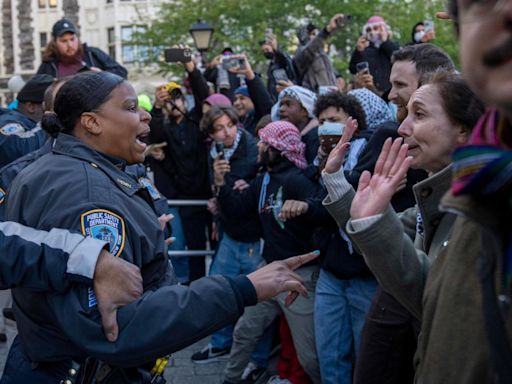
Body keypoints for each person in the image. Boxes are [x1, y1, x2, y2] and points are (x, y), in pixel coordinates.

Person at [1, 71, 317, 384]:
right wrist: (242, 288)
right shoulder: (88, 191)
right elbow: (115, 328)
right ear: (92, 122)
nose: (146, 113)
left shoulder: (60, 168)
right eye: (128, 107)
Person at [352, 43, 455, 384]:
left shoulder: (478, 204)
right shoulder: (441, 191)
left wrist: (373, 223)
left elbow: (440, 299)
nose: (389, 94)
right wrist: (342, 192)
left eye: (419, 113)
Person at [217, 121, 325, 384]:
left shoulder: (299, 181)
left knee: (309, 355)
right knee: (244, 332)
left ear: (279, 148)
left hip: (300, 275)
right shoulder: (263, 179)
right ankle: (229, 380)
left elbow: (323, 210)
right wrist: (221, 183)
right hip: (268, 269)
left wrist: (306, 206)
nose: (260, 146)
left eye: (265, 142)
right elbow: (236, 209)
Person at [192, 106, 271, 374]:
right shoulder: (215, 151)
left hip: (251, 237)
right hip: (229, 232)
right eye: (219, 128)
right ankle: (220, 344)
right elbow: (220, 190)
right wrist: (217, 194)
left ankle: (257, 360)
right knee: (219, 291)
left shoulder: (250, 149)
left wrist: (224, 184)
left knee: (257, 299)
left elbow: (240, 200)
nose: (226, 132)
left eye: (229, 125)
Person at [148, 59, 211, 282]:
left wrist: (190, 68)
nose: (173, 103)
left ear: (185, 101)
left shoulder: (196, 121)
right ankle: (197, 289)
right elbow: (152, 133)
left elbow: (204, 94)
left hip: (208, 194)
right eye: (169, 100)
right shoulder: (165, 129)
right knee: (194, 246)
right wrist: (157, 105)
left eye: (177, 98)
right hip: (186, 196)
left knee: (215, 245)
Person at [36, 18, 127, 79]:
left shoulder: (93, 54)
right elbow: (32, 92)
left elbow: (122, 72)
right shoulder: (48, 65)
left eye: (72, 39)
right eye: (64, 41)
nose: (70, 45)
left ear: (78, 38)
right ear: (55, 43)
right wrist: (50, 85)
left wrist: (103, 75)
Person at [0, 74, 54, 167]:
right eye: (50, 104)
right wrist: (52, 119)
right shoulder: (8, 123)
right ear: (31, 107)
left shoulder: (30, 124)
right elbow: (21, 149)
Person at [293, 14, 345, 93]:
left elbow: (331, 74)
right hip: (313, 100)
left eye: (317, 34)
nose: (316, 36)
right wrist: (327, 30)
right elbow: (310, 48)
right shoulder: (301, 53)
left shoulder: (323, 55)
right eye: (313, 34)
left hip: (331, 99)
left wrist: (338, 78)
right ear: (305, 36)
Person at [349, 16, 400, 93]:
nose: (372, 32)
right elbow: (353, 69)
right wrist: (358, 51)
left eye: (375, 28)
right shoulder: (365, 49)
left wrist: (385, 42)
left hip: (389, 92)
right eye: (369, 30)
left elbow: (398, 59)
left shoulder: (392, 46)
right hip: (370, 92)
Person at [271, 85, 319, 163]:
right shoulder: (283, 140)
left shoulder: (315, 137)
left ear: (305, 110)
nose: (281, 109)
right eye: (281, 105)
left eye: (288, 104)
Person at [260, 32, 296, 102]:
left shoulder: (281, 59)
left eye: (267, 49)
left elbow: (286, 62)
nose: (265, 52)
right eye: (263, 51)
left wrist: (276, 49)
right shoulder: (271, 65)